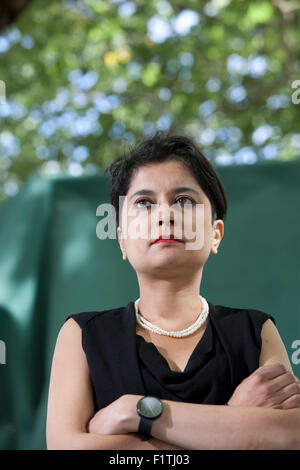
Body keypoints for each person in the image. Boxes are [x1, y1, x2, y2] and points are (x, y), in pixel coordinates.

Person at [46, 131, 300, 450]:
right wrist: (234, 421)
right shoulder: (83, 335)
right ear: (122, 240)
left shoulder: (256, 331)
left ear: (215, 234)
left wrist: (135, 412)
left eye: (183, 200)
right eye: (144, 203)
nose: (165, 215)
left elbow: (291, 437)